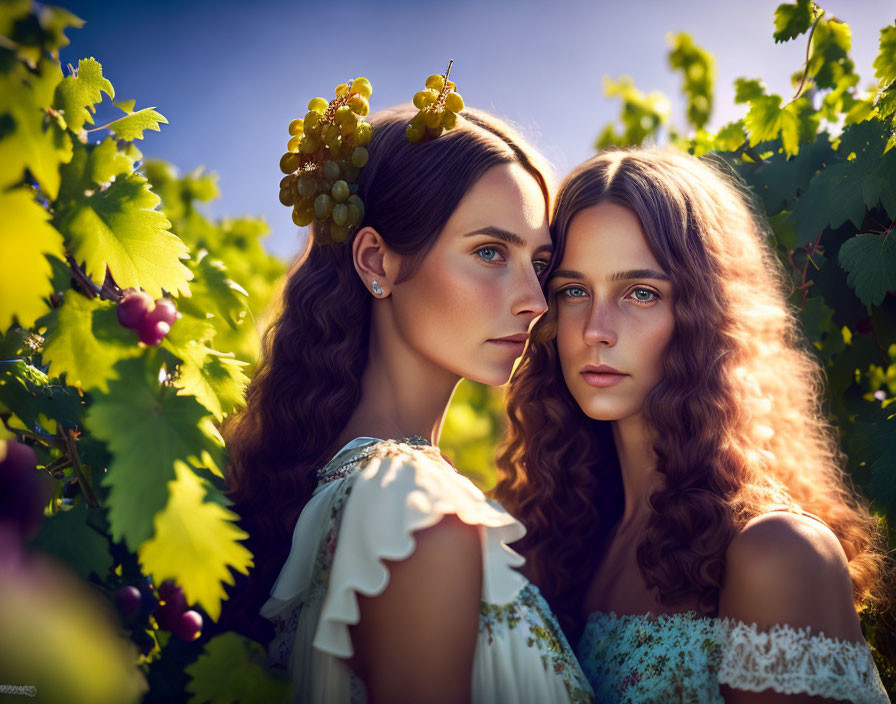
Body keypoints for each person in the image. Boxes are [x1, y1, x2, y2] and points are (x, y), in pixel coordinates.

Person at [221, 85, 594, 704]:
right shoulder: (417, 515)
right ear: (377, 260)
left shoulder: (339, 493)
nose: (533, 298)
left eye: (540, 261)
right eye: (490, 251)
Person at [494, 147, 892, 703]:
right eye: (574, 291)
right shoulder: (561, 540)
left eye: (641, 293)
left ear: (707, 318)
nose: (595, 330)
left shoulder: (776, 554)